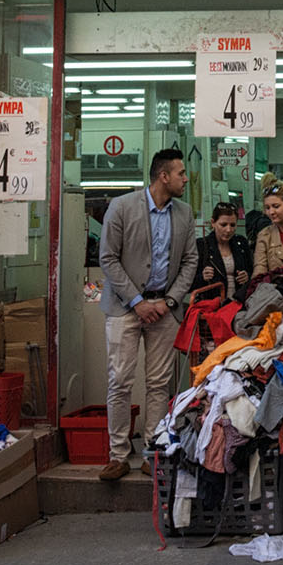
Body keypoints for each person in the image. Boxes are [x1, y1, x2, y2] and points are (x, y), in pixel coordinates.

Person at [97, 149, 198, 482]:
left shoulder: (184, 213)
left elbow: (190, 262)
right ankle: (118, 454)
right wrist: (138, 301)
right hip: (125, 308)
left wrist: (169, 301)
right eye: (181, 173)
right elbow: (108, 259)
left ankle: (153, 451)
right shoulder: (122, 208)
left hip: (164, 309)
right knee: (120, 382)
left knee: (159, 384)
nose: (186, 179)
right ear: (163, 176)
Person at [195, 203, 251, 303]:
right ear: (213, 223)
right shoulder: (201, 245)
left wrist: (247, 276)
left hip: (239, 303)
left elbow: (253, 271)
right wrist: (203, 277)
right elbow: (189, 282)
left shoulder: (241, 243)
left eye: (233, 225)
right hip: (213, 305)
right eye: (223, 225)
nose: (228, 230)